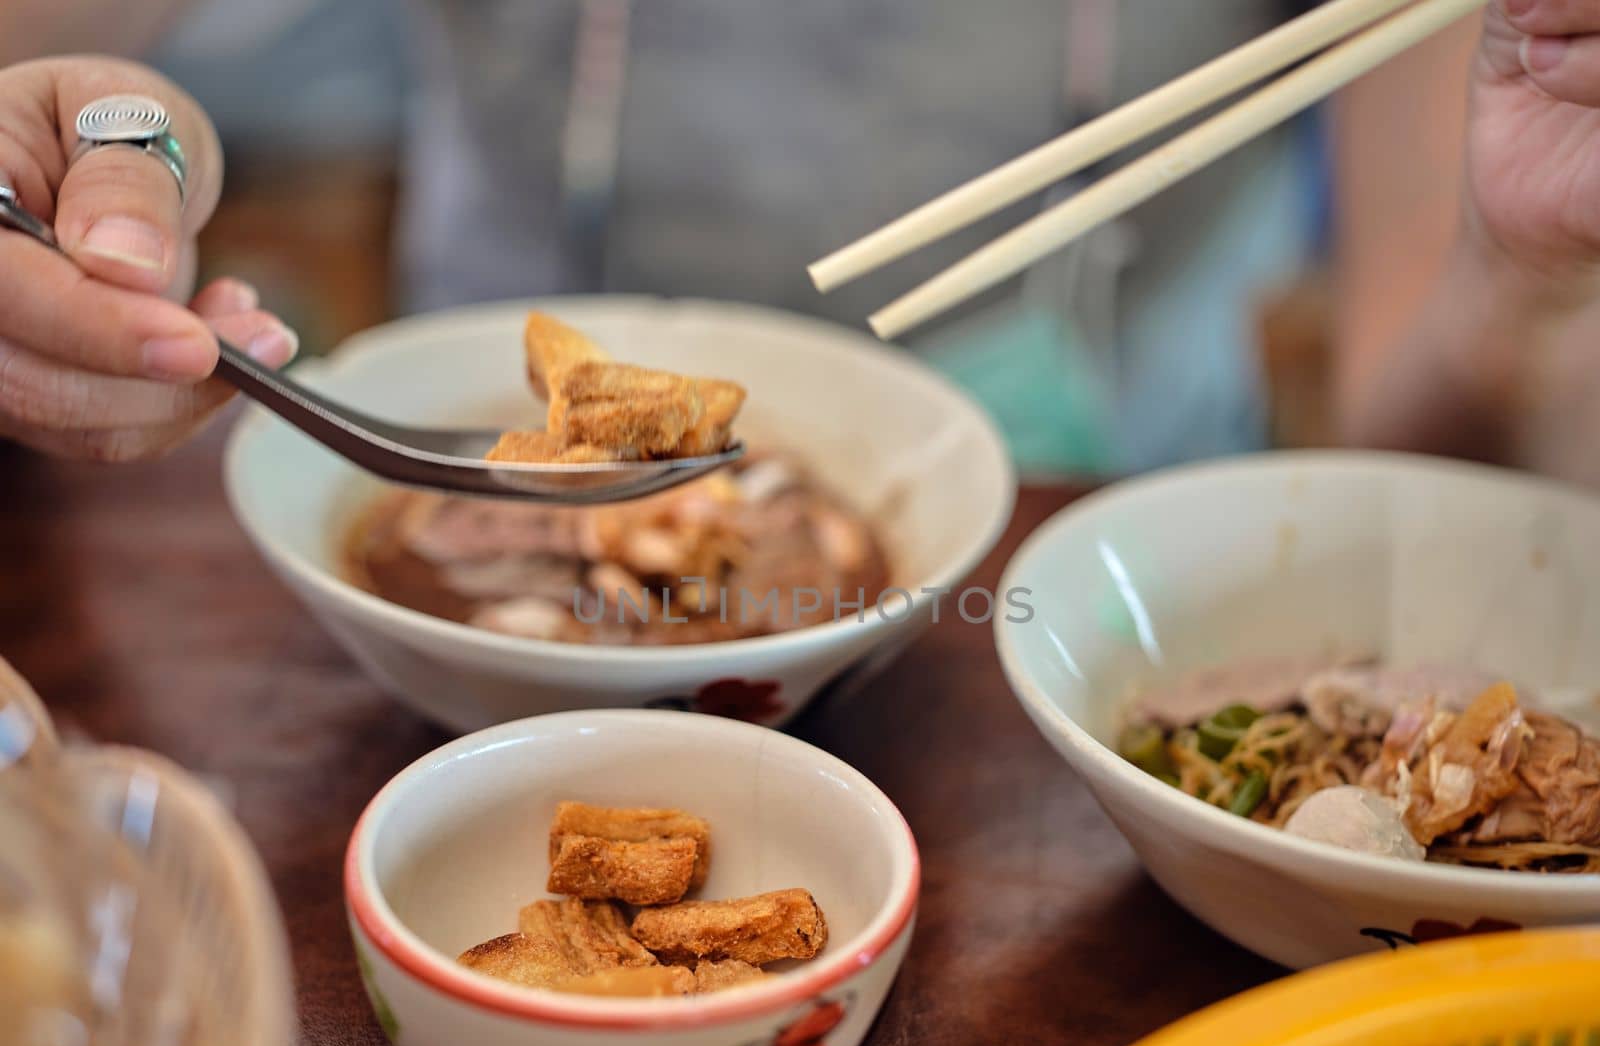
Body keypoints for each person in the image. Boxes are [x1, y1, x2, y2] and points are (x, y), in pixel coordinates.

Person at [0, 3, 1598, 479]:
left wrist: (1526, 282)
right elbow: (56, 53)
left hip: (1094, 571)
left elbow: (1438, 420)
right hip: (478, 476)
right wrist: (117, 143)